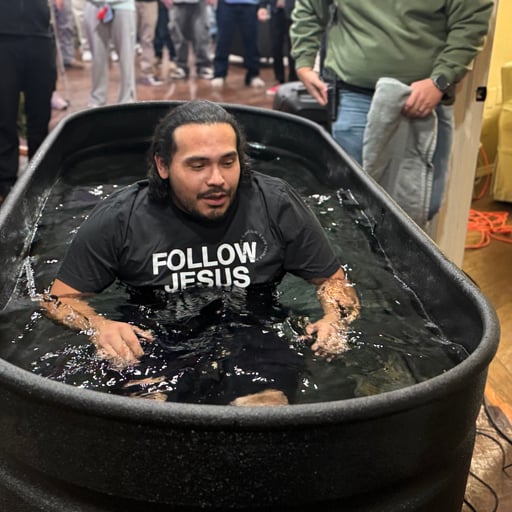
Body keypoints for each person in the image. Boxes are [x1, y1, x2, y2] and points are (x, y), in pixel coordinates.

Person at [43, 100, 359, 405]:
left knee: (265, 410)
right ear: (163, 165)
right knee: (148, 413)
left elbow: (333, 281)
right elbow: (58, 300)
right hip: (155, 334)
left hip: (254, 328)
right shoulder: (120, 218)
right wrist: (99, 326)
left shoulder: (276, 204)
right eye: (198, 166)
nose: (217, 179)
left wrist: (334, 320)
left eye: (228, 162)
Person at [290, 0, 494, 221]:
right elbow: (310, 7)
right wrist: (303, 61)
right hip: (355, 97)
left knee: (424, 205)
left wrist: (441, 80)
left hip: (424, 99)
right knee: (355, 204)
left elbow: (470, 22)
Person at [0, 0, 58, 203]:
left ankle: (38, 178)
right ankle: (5, 182)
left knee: (40, 116)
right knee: (4, 116)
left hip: (40, 36)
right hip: (3, 38)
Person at [83, 0, 137, 107]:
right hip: (94, 5)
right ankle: (97, 100)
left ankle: (127, 101)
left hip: (123, 6)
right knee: (98, 58)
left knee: (126, 58)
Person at [212, 0, 266, 88]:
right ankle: (219, 74)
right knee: (223, 39)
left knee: (251, 40)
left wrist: (263, 5)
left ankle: (253, 74)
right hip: (226, 4)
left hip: (251, 4)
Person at [163, 0, 214, 80]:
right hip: (177, 3)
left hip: (199, 3)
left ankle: (204, 65)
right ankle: (181, 66)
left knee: (201, 34)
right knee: (179, 36)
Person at [257, 0, 297, 96]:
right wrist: (263, 6)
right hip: (276, 11)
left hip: (294, 12)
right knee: (275, 46)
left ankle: (293, 82)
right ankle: (279, 80)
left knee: (293, 48)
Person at [135, 0, 163, 85]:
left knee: (148, 38)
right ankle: (126, 74)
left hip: (150, 3)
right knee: (127, 38)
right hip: (129, 3)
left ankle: (147, 73)